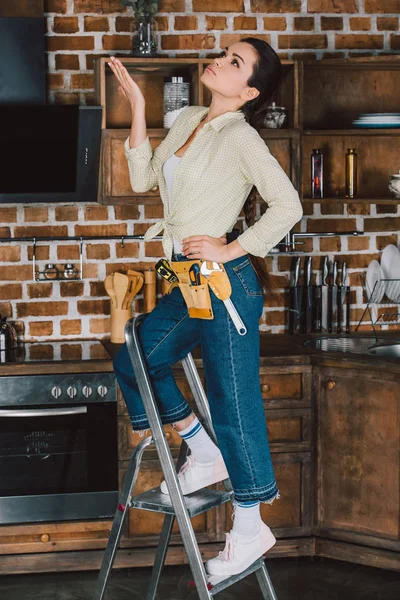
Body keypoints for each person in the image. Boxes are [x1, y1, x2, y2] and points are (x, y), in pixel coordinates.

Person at [108, 38, 303, 580]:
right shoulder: (190, 115)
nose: (219, 61)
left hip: (227, 286)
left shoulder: (242, 138)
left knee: (233, 401)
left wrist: (228, 246)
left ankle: (249, 526)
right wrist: (141, 112)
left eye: (234, 63)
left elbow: (289, 205)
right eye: (224, 53)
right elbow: (144, 179)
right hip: (188, 283)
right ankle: (201, 447)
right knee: (135, 357)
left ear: (249, 92)